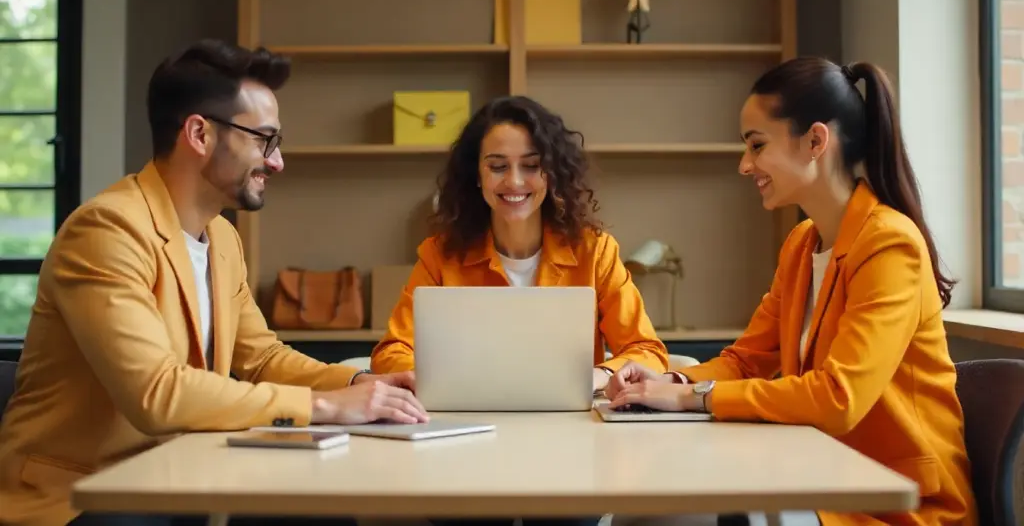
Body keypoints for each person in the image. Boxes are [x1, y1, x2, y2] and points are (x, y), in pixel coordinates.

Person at [0, 39, 428, 526]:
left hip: (174, 473)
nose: (277, 162)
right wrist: (326, 405)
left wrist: (362, 383)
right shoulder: (105, 231)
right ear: (200, 134)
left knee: (317, 509)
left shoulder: (220, 236)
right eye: (264, 139)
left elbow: (261, 357)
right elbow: (156, 394)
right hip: (82, 496)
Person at [604, 57, 977, 526]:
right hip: (822, 479)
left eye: (757, 146)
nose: (745, 165)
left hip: (897, 507)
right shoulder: (803, 244)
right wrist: (667, 383)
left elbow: (839, 398)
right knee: (654, 513)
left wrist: (694, 398)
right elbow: (747, 359)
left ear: (816, 141)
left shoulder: (889, 242)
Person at [370, 95, 670, 397]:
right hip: (469, 419)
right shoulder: (440, 255)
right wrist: (433, 380)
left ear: (551, 174)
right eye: (498, 166)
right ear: (477, 175)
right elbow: (392, 351)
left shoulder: (595, 252)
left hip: (570, 426)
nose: (514, 182)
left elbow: (647, 352)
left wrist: (601, 375)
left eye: (531, 166)